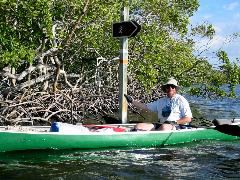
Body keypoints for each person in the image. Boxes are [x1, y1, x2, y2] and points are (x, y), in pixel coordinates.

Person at [124, 77, 192, 131]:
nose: (170, 89)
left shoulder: (181, 100)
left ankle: (151, 138)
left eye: (172, 86)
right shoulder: (161, 101)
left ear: (175, 89)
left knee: (164, 127)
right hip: (161, 124)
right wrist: (132, 101)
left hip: (177, 126)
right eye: (168, 87)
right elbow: (145, 106)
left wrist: (174, 122)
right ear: (165, 89)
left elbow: (188, 119)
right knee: (139, 126)